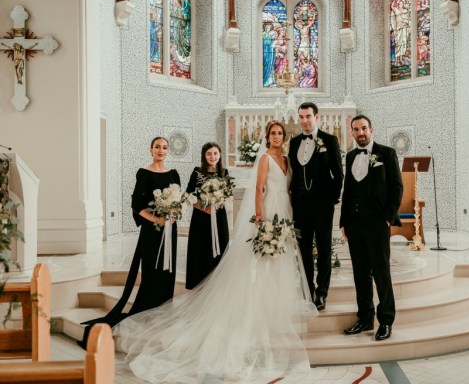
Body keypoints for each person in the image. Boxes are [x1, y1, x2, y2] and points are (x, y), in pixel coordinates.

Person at [113, 122, 317, 383]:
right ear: (267, 137)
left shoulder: (287, 159)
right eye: (273, 133)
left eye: (280, 133)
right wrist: (259, 215)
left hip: (285, 209)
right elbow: (259, 188)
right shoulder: (264, 159)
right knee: (262, 255)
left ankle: (280, 298)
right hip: (261, 211)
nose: (277, 136)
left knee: (282, 257)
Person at [78, 137, 180, 348]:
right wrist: (156, 219)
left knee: (168, 270)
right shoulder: (144, 173)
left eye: (164, 148)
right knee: (152, 269)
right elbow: (136, 205)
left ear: (168, 151)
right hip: (152, 231)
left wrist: (174, 215)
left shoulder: (173, 174)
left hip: (170, 230)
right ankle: (149, 307)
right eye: (157, 147)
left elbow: (178, 201)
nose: (161, 150)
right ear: (151, 149)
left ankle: (165, 307)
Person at [340, 115, 402, 341]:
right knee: (360, 274)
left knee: (381, 273)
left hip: (377, 223)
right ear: (352, 133)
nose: (360, 133)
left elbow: (396, 187)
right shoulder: (351, 155)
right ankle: (365, 318)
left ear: (371, 130)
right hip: (354, 224)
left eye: (364, 128)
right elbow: (347, 191)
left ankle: (385, 320)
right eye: (356, 130)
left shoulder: (386, 153)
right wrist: (344, 221)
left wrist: (387, 217)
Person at [289, 102, 344, 311]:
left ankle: (321, 293)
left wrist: (332, 199)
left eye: (308, 116)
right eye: (301, 117)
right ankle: (307, 289)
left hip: (322, 205)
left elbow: (338, 174)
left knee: (323, 250)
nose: (304, 121)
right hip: (300, 206)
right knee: (303, 251)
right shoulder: (294, 143)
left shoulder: (329, 140)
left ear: (316, 117)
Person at [184, 142, 229, 290]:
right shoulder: (197, 172)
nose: (212, 156)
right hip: (201, 218)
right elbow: (188, 195)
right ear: (204, 156)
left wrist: (218, 202)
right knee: (201, 249)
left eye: (215, 153)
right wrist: (204, 207)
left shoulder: (224, 172)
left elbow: (227, 194)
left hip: (219, 215)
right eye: (209, 154)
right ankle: (199, 283)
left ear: (220, 155)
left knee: (220, 248)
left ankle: (217, 284)